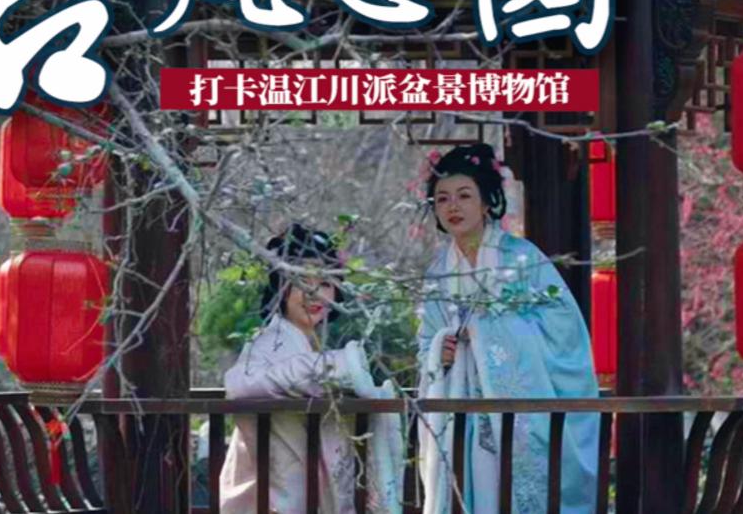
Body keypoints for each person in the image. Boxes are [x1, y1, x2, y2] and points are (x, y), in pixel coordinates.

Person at [416, 143, 599, 514]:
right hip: (462, 413)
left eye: (464, 195)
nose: (453, 206)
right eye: (442, 198)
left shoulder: (523, 259)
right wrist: (441, 351)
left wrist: (484, 332)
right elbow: (425, 343)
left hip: (520, 411)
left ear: (486, 202)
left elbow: (564, 329)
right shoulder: (438, 272)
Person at [219, 224, 402, 514]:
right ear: (281, 287)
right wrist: (331, 367)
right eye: (302, 281)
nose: (314, 294)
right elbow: (238, 384)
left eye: (325, 283)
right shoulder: (269, 341)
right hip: (273, 496)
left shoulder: (309, 342)